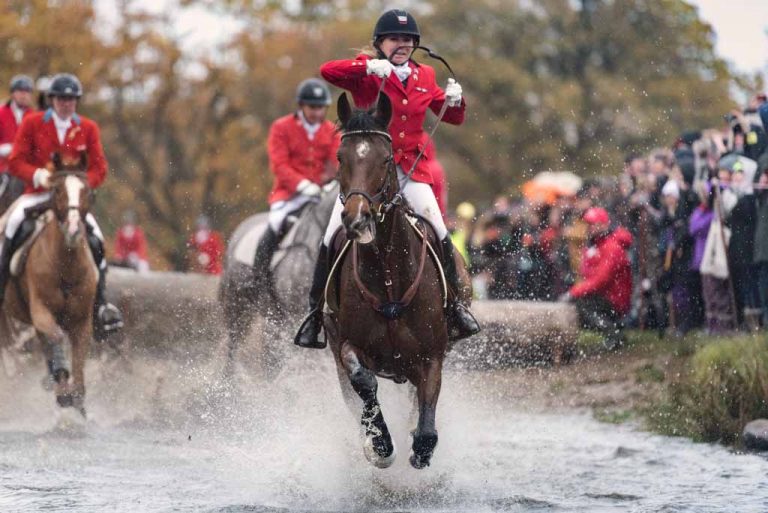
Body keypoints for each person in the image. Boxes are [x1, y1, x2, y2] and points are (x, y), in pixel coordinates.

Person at [294, 8, 479, 348]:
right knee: (330, 236)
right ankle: (314, 315)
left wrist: (457, 100)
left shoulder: (425, 76)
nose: (402, 44)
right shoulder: (366, 74)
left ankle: (454, 309)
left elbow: (452, 117)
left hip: (410, 171)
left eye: (408, 40)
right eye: (395, 39)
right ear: (380, 43)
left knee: (439, 232)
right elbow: (326, 71)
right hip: (368, 175)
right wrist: (367, 66)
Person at [4, 73, 123, 339]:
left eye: (71, 99)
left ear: (76, 101)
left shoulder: (88, 128)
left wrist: (79, 184)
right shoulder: (34, 123)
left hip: (71, 200)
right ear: (52, 100)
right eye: (61, 98)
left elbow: (100, 168)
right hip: (38, 192)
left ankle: (102, 305)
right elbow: (15, 161)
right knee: (10, 230)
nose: (66, 103)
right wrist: (37, 175)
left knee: (98, 241)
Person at [253, 78, 339, 288]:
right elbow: (279, 165)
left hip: (321, 193)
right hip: (290, 194)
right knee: (276, 223)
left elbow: (337, 161)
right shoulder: (282, 127)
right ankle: (258, 280)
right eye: (313, 107)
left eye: (321, 108)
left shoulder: (331, 130)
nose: (318, 112)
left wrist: (330, 185)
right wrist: (302, 185)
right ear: (302, 105)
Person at [560, 207, 633, 350]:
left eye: (593, 224)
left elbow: (601, 280)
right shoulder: (596, 244)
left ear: (604, 225)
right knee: (579, 301)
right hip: (605, 295)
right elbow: (587, 273)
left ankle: (613, 333)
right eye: (589, 224)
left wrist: (573, 292)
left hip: (614, 299)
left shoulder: (612, 247)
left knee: (580, 304)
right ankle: (615, 329)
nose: (590, 228)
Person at [0, 75, 35, 203]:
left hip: (25, 170)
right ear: (13, 93)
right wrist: (5, 149)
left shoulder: (34, 117)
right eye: (20, 91)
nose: (24, 95)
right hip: (3, 169)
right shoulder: (1, 113)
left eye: (27, 92)